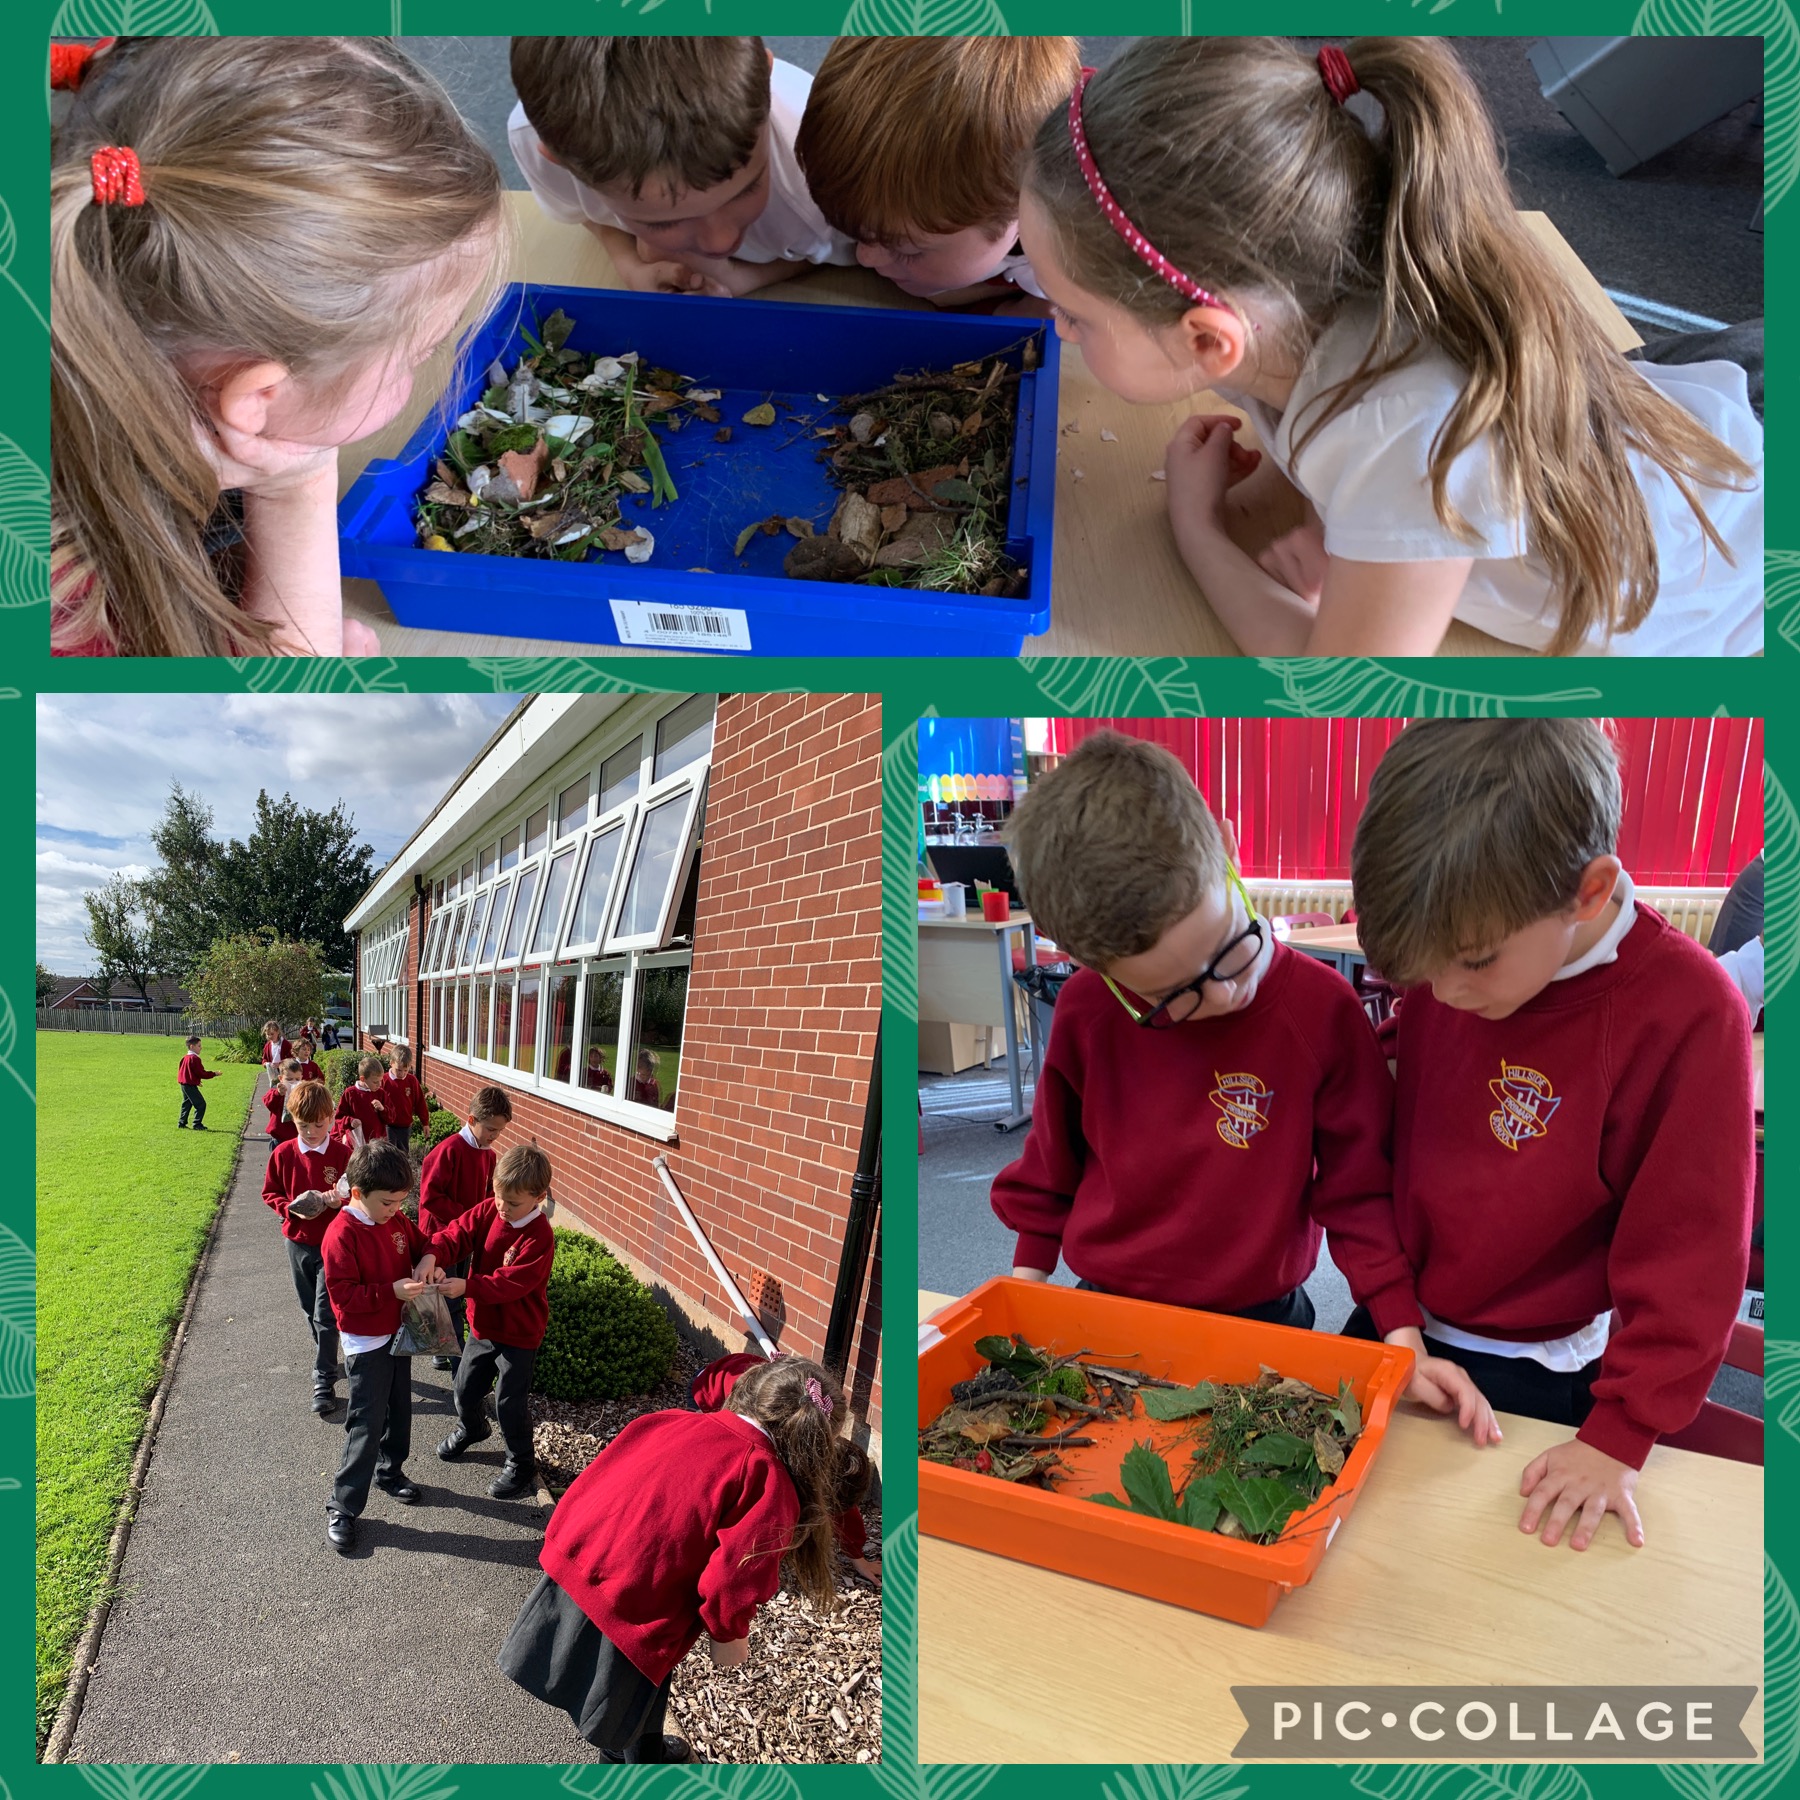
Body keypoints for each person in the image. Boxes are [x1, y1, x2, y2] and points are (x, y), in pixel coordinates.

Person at [1018, 37, 1763, 657]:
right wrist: (1322, 515)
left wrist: (1198, 528)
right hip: (1671, 429)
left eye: (1078, 317)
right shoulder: (1292, 297)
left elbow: (1338, 686)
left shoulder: (1404, 435)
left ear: (1210, 338)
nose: (1058, 327)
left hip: (1733, 579)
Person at [1348, 718, 1755, 1550]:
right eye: (1423, 973)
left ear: (1590, 893)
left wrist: (1621, 1436)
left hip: (1536, 1367)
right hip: (1398, 1328)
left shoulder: (1687, 1010)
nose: (1446, 993)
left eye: (1473, 962)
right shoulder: (1460, 959)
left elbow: (1693, 1253)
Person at [983, 734, 1479, 1416]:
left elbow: (1359, 1193)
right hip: (1107, 1314)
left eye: (1231, 948)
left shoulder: (1323, 1011)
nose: (1226, 995)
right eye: (1174, 995)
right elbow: (1050, 1170)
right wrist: (1025, 1290)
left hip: (1262, 1319)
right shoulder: (1087, 1010)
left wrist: (1401, 1334)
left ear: (1226, 842)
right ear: (1087, 962)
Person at [50, 36, 506, 657]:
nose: (433, 366)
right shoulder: (66, 615)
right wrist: (297, 487)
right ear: (255, 397)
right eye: (422, 350)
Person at [499, 1357, 845, 1761]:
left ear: (751, 1388)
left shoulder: (671, 1420)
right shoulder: (767, 1479)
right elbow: (732, 1580)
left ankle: (640, 1746)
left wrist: (562, 1542)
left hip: (582, 1565)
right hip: (640, 1610)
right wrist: (728, 1634)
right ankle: (632, 1760)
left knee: (634, 1701)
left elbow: (598, 1477)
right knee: (630, 1697)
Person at [509, 37, 854, 299]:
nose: (720, 241)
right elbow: (580, 210)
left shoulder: (824, 174)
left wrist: (744, 278)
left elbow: (852, 251)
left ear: (766, 81)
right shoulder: (538, 138)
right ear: (562, 162)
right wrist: (629, 264)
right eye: (664, 221)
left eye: (746, 189)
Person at [794, 37, 1079, 305]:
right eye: (858, 235)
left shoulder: (1084, 256)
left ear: (1027, 210)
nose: (864, 257)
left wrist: (1030, 311)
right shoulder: (877, 184)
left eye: (908, 251)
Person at [320, 1140, 442, 1552]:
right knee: (366, 1422)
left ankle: (390, 1472)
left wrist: (427, 1259)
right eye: (388, 1203)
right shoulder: (341, 1234)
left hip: (397, 1334)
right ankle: (343, 1505)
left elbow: (424, 1240)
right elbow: (345, 1299)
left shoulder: (394, 1220)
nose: (396, 1211)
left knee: (400, 1410)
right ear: (357, 1193)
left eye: (400, 1203)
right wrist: (390, 1292)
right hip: (366, 1342)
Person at [432, 1143, 557, 1500]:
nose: (502, 1207)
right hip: (484, 1327)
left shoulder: (539, 1236)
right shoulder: (491, 1210)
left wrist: (467, 1286)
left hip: (519, 1334)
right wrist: (433, 1254)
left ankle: (521, 1463)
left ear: (538, 1197)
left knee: (508, 1402)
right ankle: (472, 1427)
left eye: (512, 1202)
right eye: (498, 1196)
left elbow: (510, 1283)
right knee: (464, 1388)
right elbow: (458, 1233)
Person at [689, 1351, 880, 1580]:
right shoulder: (741, 1412)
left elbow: (840, 1500)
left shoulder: (801, 1426)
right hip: (709, 1388)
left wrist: (857, 1557)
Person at [262, 1080, 357, 1416]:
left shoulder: (342, 1154)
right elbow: (269, 1192)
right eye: (304, 1125)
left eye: (320, 1124)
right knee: (309, 1311)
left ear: (331, 1118)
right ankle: (328, 1355)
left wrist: (337, 1199)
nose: (313, 1131)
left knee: (325, 1314)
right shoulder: (284, 1153)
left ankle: (323, 1381)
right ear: (293, 1120)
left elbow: (354, 1192)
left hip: (333, 1247)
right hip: (297, 1243)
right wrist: (289, 1207)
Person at [418, 1085, 513, 1365]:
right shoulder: (448, 1150)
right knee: (443, 1293)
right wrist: (466, 1218)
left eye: (499, 1131)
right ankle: (447, 1350)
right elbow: (431, 1197)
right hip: (442, 1236)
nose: (494, 1136)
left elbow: (487, 1195)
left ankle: (443, 1346)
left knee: (456, 1290)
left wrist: (484, 1220)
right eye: (491, 1129)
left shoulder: (489, 1154)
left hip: (467, 1237)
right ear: (471, 1120)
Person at [380, 1046, 427, 1154]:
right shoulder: (384, 1080)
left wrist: (425, 1122)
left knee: (403, 1154)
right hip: (388, 1125)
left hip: (405, 1126)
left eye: (405, 1070)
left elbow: (420, 1102)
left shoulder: (412, 1080)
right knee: (389, 1154)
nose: (402, 1074)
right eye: (399, 1070)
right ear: (391, 1063)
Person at [334, 1054, 388, 1142]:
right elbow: (339, 1117)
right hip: (356, 1142)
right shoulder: (350, 1093)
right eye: (375, 1082)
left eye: (381, 1081)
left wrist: (382, 1109)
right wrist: (350, 1121)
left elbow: (390, 1118)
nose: (379, 1085)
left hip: (377, 1142)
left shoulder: (381, 1093)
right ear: (362, 1079)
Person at [176, 1035, 218, 1130]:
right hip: (189, 1085)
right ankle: (197, 1124)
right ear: (192, 1046)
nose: (201, 1048)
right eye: (199, 1046)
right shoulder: (194, 1059)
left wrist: (196, 1081)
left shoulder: (185, 1058)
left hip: (184, 1084)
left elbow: (185, 1072)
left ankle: (182, 1122)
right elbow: (201, 1073)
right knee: (201, 1104)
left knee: (187, 1103)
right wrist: (214, 1074)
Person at [263, 1055, 303, 1146]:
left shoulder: (302, 1092)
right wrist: (278, 1094)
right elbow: (269, 1103)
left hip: (298, 1137)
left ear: (301, 1078)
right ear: (281, 1079)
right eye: (289, 1079)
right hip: (279, 1137)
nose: (293, 1082)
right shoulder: (276, 1091)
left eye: (297, 1079)